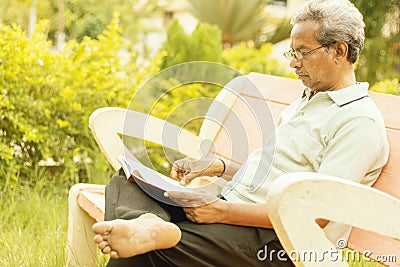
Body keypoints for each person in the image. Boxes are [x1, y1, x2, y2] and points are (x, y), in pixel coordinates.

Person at [92, 0, 389, 266]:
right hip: (233, 208)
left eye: (303, 52)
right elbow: (271, 176)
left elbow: (318, 212)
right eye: (292, 51)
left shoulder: (357, 122)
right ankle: (148, 224)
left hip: (279, 243)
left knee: (148, 254)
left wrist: (221, 212)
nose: (293, 62)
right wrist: (219, 168)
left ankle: (151, 230)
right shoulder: (309, 99)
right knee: (129, 179)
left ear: (339, 51)